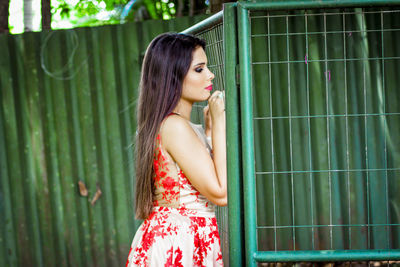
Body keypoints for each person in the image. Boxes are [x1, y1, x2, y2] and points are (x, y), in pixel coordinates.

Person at [126, 32, 227, 267]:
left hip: (184, 238)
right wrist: (220, 123)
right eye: (199, 69)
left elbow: (198, 179)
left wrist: (210, 133)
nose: (210, 75)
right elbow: (220, 193)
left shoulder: (176, 125)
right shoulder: (174, 126)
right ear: (173, 75)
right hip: (177, 243)